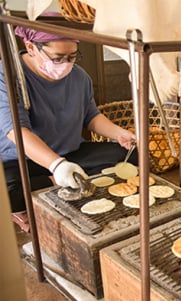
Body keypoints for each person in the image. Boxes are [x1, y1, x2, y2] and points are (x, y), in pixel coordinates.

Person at [0, 27, 137, 232]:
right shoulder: (8, 75)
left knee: (130, 156)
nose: (66, 64)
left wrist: (119, 133)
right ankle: (62, 184)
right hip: (22, 161)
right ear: (30, 47)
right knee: (7, 191)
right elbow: (17, 131)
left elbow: (91, 117)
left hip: (71, 153)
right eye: (57, 58)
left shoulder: (79, 78)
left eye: (72, 56)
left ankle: (63, 186)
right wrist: (56, 167)